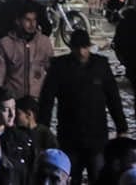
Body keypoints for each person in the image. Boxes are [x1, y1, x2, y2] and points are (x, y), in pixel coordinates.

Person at [39, 30, 127, 184]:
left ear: (89, 47)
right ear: (71, 48)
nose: (81, 52)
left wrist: (122, 127)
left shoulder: (101, 65)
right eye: (77, 48)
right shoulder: (59, 67)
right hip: (70, 137)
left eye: (84, 47)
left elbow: (113, 98)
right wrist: (43, 130)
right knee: (71, 178)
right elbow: (46, 100)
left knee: (99, 177)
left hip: (97, 137)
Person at [0, 3, 53, 100]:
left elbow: (51, 71)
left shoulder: (44, 42)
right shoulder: (5, 44)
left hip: (36, 100)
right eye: (27, 20)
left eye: (34, 20)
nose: (32, 24)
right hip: (14, 99)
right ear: (18, 21)